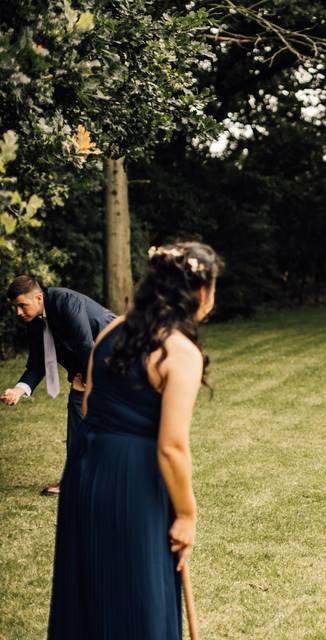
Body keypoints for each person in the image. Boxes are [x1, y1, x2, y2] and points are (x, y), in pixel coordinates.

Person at [48, 242, 222, 639]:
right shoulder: (180, 351)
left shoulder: (112, 329)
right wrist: (186, 515)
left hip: (86, 468)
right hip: (135, 479)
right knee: (138, 593)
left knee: (90, 587)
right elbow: (172, 445)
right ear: (199, 292)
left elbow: (89, 402)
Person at [2, 277, 115, 495]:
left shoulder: (65, 301)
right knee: (77, 410)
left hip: (115, 352)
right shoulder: (35, 321)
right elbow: (37, 364)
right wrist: (18, 390)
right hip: (89, 361)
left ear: (38, 297)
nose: (18, 312)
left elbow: (84, 343)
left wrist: (91, 379)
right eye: (15, 307)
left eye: (22, 305)